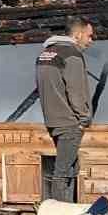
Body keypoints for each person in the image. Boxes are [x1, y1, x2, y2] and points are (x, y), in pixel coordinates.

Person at [36, 17, 95, 203]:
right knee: (62, 172)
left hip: (52, 119)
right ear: (78, 35)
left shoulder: (45, 53)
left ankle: (66, 212)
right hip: (70, 122)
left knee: (69, 168)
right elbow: (76, 92)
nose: (91, 40)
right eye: (89, 36)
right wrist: (84, 118)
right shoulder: (72, 55)